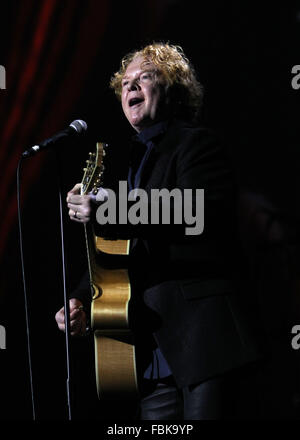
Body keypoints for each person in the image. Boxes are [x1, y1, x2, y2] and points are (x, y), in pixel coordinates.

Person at [55, 42, 261, 420]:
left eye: (145, 78)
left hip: (204, 346)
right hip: (151, 353)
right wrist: (83, 298)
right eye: (126, 82)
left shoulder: (197, 144)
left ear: (172, 89)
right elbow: (124, 247)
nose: (131, 87)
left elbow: (192, 211)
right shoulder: (134, 161)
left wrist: (110, 206)